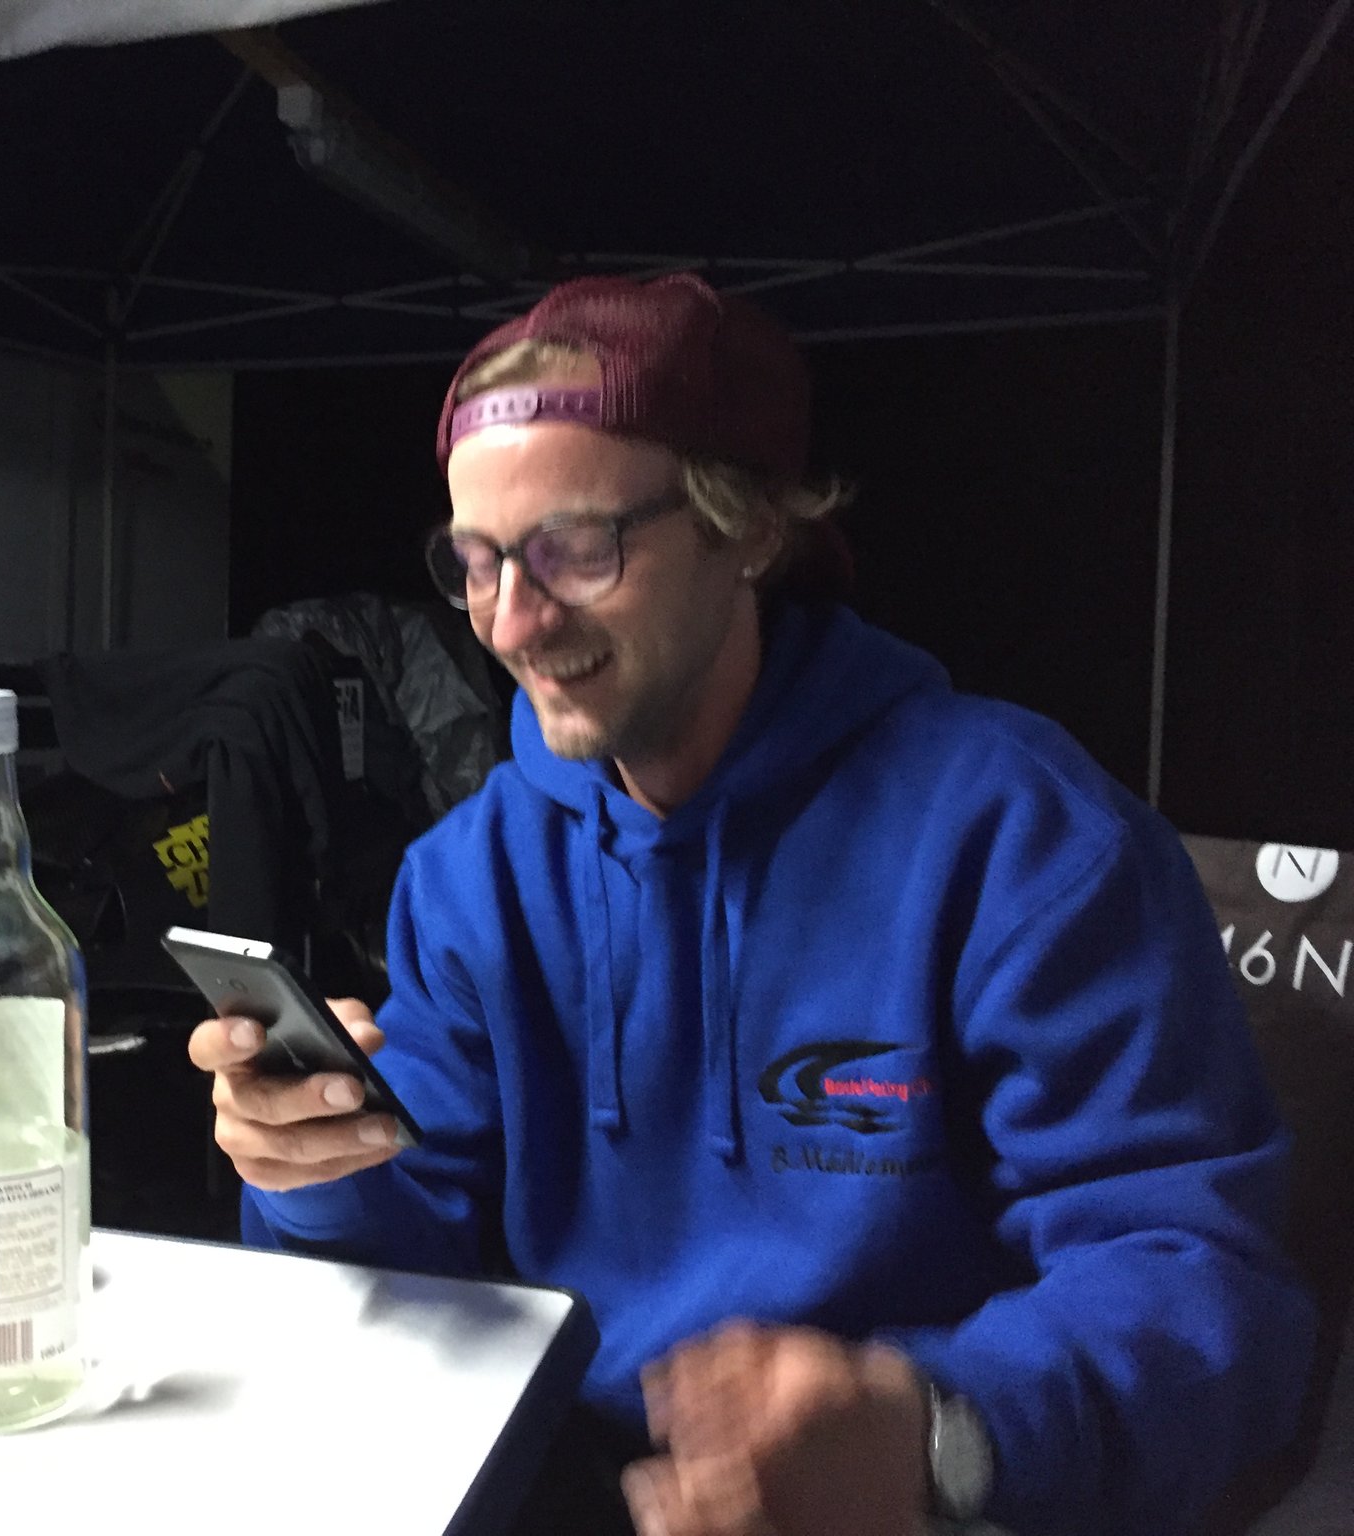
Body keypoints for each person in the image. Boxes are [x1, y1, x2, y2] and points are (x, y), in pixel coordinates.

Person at [189, 275, 1312, 1536]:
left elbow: (1206, 1292)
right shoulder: (473, 872)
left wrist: (934, 1432)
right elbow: (414, 1268)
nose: (510, 620)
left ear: (751, 530)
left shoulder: (1019, 837)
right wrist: (314, 1173)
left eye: (575, 549)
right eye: (475, 561)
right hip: (567, 1486)